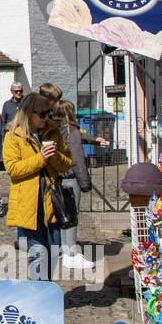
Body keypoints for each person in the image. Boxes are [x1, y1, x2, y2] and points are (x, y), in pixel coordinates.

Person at [2, 92, 72, 281]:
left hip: (52, 201)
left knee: (53, 250)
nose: (46, 118)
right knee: (38, 253)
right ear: (28, 114)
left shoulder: (53, 132)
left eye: (48, 113)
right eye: (41, 114)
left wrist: (55, 156)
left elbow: (67, 164)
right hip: (28, 203)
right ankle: (39, 295)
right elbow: (13, 169)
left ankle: (45, 289)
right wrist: (41, 158)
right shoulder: (13, 135)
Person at [55, 100, 96, 274]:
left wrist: (94, 141)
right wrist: (85, 183)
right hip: (70, 176)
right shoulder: (72, 130)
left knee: (62, 214)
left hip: (57, 176)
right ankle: (70, 254)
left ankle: (65, 250)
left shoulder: (54, 128)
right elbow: (77, 158)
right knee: (71, 215)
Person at [38, 82, 109, 148]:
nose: (57, 103)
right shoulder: (35, 115)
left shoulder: (54, 115)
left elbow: (70, 134)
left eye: (58, 100)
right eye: (55, 100)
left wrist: (94, 139)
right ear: (44, 98)